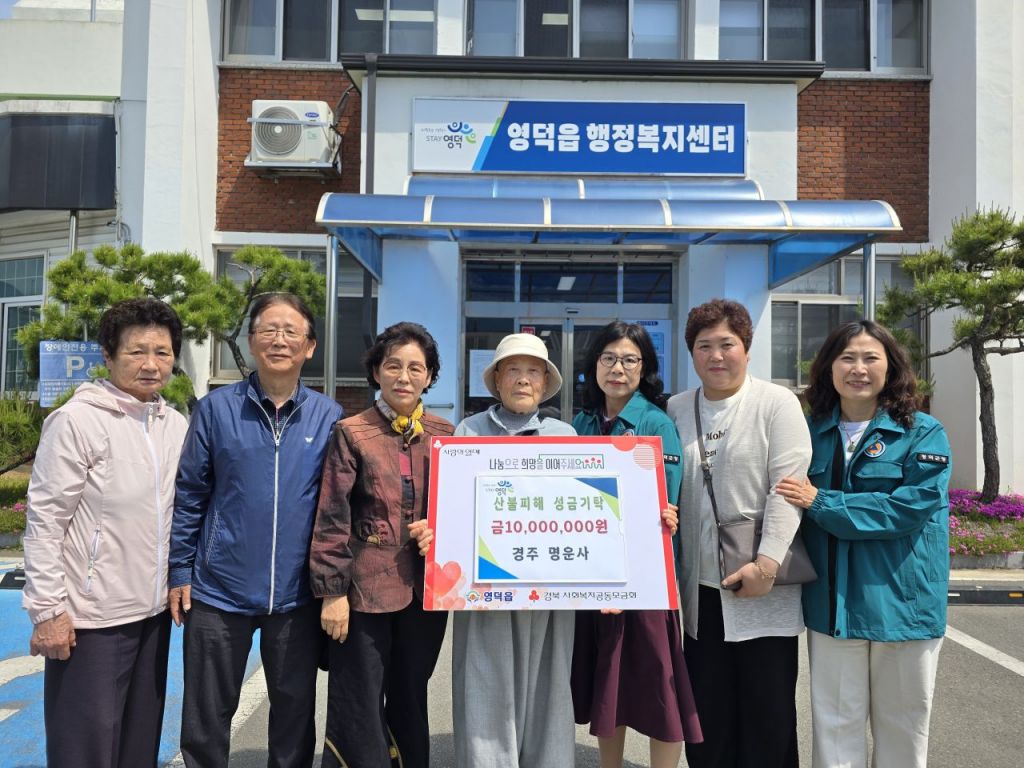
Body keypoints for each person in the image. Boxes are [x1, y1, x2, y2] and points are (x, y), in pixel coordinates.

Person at [169, 292, 344, 768]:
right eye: (269, 330)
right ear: (251, 341)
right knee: (206, 716)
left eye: (291, 331)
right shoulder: (216, 409)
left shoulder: (329, 416)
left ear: (310, 346)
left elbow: (338, 506)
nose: (279, 340)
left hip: (296, 595)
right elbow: (191, 493)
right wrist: (180, 570)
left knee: (293, 716)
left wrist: (334, 585)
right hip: (218, 590)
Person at [22, 298, 189, 768]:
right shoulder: (77, 421)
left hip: (152, 615)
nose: (151, 364)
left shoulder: (174, 424)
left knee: (138, 746)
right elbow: (45, 520)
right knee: (85, 750)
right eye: (137, 352)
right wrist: (48, 611)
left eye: (162, 352)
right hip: (90, 619)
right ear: (108, 355)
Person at [776, 320, 951, 768]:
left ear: (890, 367)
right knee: (835, 731)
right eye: (847, 358)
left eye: (871, 358)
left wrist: (821, 501)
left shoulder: (922, 432)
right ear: (828, 367)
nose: (858, 368)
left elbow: (908, 509)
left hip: (903, 608)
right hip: (831, 607)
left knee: (903, 731)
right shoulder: (808, 431)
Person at [411, 332, 576, 768]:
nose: (523, 379)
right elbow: (451, 503)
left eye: (533, 371)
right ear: (497, 380)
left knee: (549, 681)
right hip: (484, 584)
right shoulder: (469, 431)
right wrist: (437, 531)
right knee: (484, 679)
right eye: (513, 370)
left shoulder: (565, 435)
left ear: (545, 381)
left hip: (550, 588)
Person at [666, 298, 812, 768]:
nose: (716, 356)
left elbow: (788, 489)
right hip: (699, 591)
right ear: (691, 352)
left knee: (768, 720)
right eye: (703, 345)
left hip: (763, 589)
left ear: (746, 348)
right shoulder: (677, 408)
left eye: (727, 344)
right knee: (706, 721)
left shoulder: (776, 403)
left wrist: (766, 565)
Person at [310, 322, 454, 768]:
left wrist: (442, 532)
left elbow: (461, 510)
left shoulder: (446, 434)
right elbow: (331, 516)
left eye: (416, 368)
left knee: (411, 693)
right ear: (376, 372)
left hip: (425, 592)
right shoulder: (352, 432)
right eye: (393, 366)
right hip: (364, 589)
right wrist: (332, 593)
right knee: (360, 695)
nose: (404, 377)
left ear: (430, 376)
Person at [570, 321, 703, 768]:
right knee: (609, 684)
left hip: (643, 580)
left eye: (630, 359)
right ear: (594, 365)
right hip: (594, 576)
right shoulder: (582, 422)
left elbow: (663, 504)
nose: (618, 368)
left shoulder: (655, 422)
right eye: (608, 358)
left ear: (644, 368)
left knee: (659, 686)